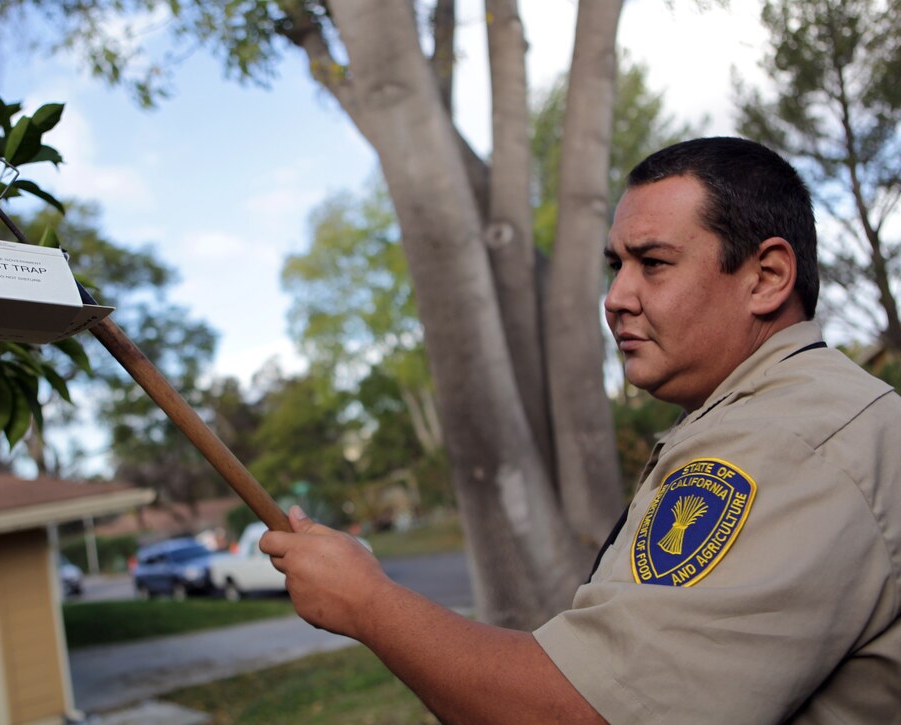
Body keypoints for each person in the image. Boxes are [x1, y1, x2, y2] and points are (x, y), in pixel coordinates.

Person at [260, 137, 901, 723]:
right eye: (615, 266)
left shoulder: (790, 439)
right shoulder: (772, 416)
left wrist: (369, 604)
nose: (616, 297)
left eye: (652, 263)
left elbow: (583, 713)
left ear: (766, 277)